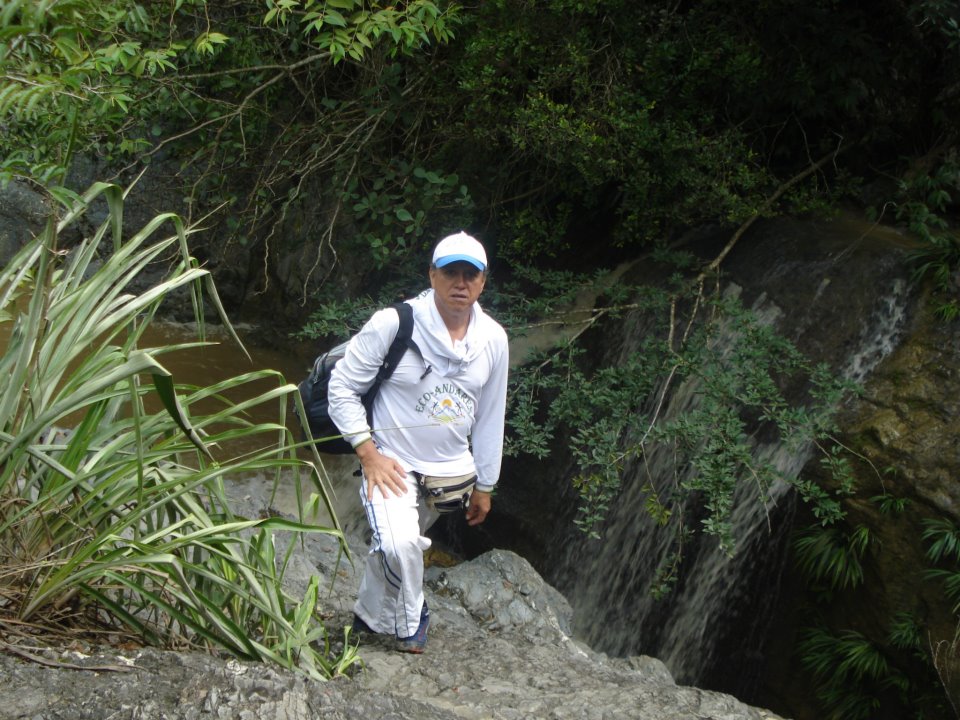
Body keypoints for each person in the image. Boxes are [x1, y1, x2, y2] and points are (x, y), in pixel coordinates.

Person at [327, 231, 509, 653]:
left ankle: (368, 616)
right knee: (399, 543)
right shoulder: (394, 323)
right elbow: (341, 388)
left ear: (483, 282)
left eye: (470, 274)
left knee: (396, 547)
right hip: (390, 465)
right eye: (450, 272)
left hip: (448, 476)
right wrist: (368, 454)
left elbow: (490, 416)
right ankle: (412, 619)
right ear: (432, 275)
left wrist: (485, 484)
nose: (460, 282)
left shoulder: (494, 340)